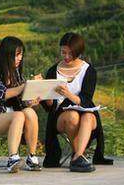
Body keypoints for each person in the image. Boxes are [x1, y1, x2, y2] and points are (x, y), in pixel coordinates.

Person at [41, 32, 113, 172]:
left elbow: (86, 99)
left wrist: (68, 94)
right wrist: (44, 95)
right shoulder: (53, 71)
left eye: (70, 53)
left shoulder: (88, 70)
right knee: (72, 116)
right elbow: (50, 106)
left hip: (84, 110)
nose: (66, 57)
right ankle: (79, 158)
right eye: (63, 53)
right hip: (62, 116)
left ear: (78, 52)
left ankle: (77, 156)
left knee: (88, 116)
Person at [0, 36, 41, 173]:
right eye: (17, 55)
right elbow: (4, 93)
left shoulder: (16, 73)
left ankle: (32, 157)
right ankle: (12, 159)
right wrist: (26, 85)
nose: (20, 58)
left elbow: (20, 101)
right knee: (18, 116)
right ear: (7, 55)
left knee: (29, 112)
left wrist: (31, 101)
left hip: (14, 117)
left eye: (21, 54)